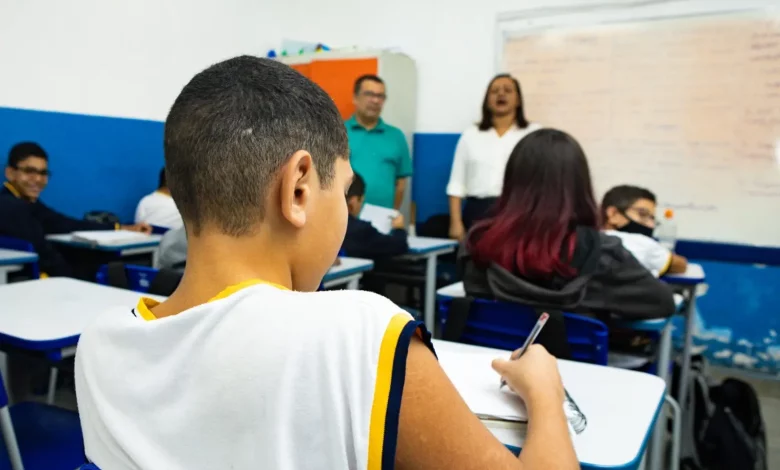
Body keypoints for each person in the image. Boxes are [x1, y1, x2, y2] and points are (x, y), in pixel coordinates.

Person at [75, 56, 577, 470]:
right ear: (298, 189)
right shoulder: (358, 331)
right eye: (340, 187)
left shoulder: (99, 343)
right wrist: (547, 395)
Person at [461, 129, 675, 331]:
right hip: (567, 368)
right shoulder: (602, 252)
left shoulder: (478, 244)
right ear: (579, 186)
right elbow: (662, 302)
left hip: (495, 364)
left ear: (512, 181)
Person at [446, 74, 542, 240]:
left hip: (520, 212)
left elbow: (543, 182)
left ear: (518, 100)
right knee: (476, 264)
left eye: (508, 90)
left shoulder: (533, 134)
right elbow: (456, 183)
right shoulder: (471, 135)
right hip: (478, 212)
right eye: (495, 91)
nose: (501, 94)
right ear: (487, 101)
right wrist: (455, 223)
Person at [2, 142, 150, 234]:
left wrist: (121, 228)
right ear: (10, 173)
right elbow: (44, 256)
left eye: (43, 173)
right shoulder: (12, 207)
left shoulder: (29, 204)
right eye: (29, 171)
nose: (38, 179)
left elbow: (66, 224)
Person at [345, 74, 412, 210]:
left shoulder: (396, 136)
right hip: (345, 219)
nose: (375, 100)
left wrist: (392, 213)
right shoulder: (338, 131)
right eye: (369, 94)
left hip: (382, 219)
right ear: (355, 98)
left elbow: (401, 183)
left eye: (380, 96)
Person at [601, 185, 688, 276]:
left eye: (652, 218)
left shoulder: (589, 238)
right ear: (613, 214)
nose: (650, 225)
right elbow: (680, 264)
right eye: (642, 214)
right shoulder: (641, 243)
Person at [342, 172, 409, 259]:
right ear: (354, 201)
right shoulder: (361, 231)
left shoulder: (322, 226)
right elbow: (400, 245)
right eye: (361, 201)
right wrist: (399, 229)